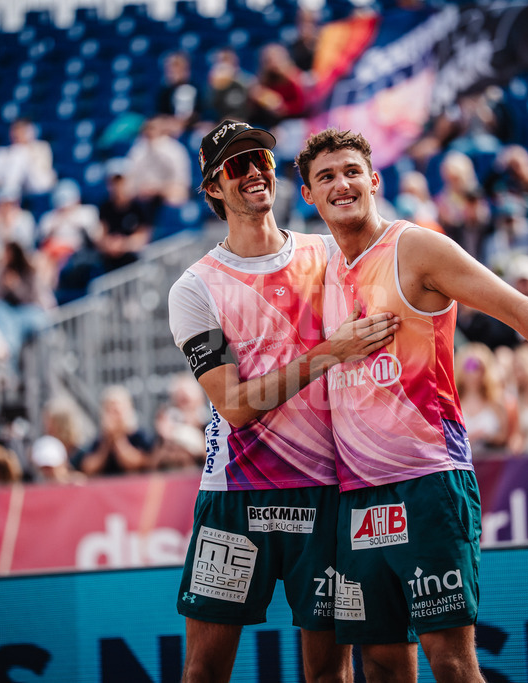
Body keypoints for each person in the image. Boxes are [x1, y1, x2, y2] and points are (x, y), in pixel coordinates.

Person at [295, 128, 528, 681]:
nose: (341, 184)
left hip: (428, 481)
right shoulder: (321, 268)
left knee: (451, 663)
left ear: (374, 180)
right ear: (308, 195)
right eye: (326, 176)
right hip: (359, 495)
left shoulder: (415, 247)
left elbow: (518, 309)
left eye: (352, 171)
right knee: (381, 664)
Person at [167, 120, 397, 683]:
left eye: (260, 160)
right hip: (235, 496)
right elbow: (237, 408)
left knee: (328, 674)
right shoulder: (194, 287)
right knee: (204, 671)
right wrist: (328, 352)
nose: (253, 172)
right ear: (213, 190)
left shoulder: (328, 252)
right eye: (235, 165)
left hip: (326, 492)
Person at [73, 385, 154, 477]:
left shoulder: (140, 436)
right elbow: (88, 468)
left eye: (116, 411)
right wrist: (106, 443)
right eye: (109, 410)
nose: (113, 415)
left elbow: (137, 465)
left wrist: (118, 439)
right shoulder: (99, 440)